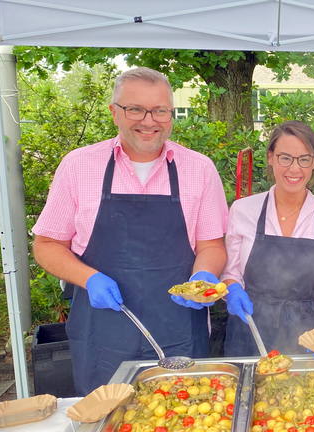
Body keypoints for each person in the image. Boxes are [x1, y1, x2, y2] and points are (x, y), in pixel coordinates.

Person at [32, 67, 228, 396]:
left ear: (171, 113)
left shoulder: (199, 168)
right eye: (135, 109)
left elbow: (212, 245)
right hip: (101, 336)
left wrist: (204, 277)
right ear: (114, 112)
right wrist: (88, 278)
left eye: (160, 110)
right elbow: (47, 244)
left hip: (179, 330)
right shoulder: (78, 166)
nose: (148, 121)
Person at [179, 120, 314, 357]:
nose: (294, 169)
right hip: (249, 328)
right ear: (270, 157)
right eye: (285, 158)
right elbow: (231, 273)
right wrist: (233, 290)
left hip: (309, 333)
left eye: (304, 159)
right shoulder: (243, 210)